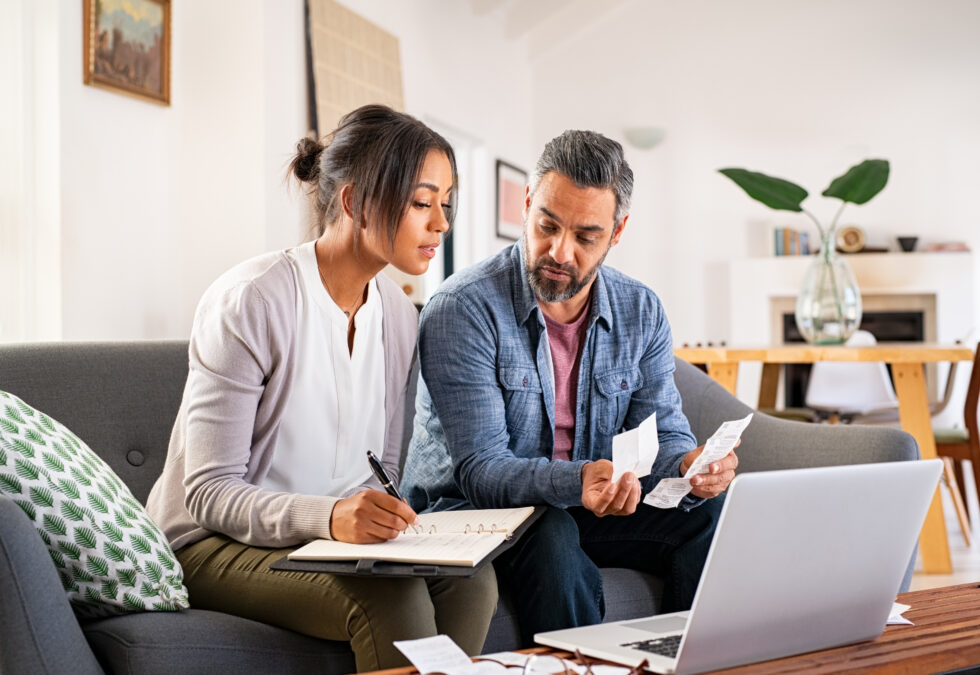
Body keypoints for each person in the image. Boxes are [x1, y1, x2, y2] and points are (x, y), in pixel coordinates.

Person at [146, 104, 498, 671]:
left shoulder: (402, 318)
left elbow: (378, 468)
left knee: (473, 581)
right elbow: (208, 493)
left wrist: (387, 521)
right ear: (355, 201)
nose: (441, 223)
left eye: (446, 204)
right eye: (421, 202)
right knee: (393, 595)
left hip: (326, 543)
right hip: (212, 544)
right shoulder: (253, 300)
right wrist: (331, 517)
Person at [401, 130, 738, 642]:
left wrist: (690, 466)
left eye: (585, 237)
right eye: (547, 226)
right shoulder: (463, 309)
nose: (559, 251)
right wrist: (580, 480)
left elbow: (665, 433)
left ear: (616, 232)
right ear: (528, 204)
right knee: (552, 532)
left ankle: (682, 659)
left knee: (709, 515)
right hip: (470, 512)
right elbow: (480, 471)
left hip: (584, 501)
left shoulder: (640, 310)